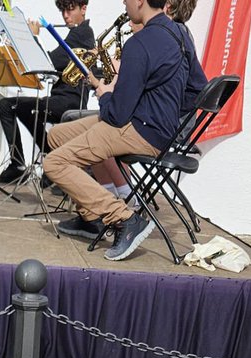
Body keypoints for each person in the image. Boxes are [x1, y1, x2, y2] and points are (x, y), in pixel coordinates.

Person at [43, 0, 187, 261]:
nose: (123, 1)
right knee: (56, 135)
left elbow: (115, 114)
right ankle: (89, 219)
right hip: (148, 124)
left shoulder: (139, 44)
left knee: (53, 164)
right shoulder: (179, 33)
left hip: (140, 129)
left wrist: (104, 92)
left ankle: (124, 218)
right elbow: (197, 88)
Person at [0, 0, 94, 185]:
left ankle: (27, 164)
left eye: (70, 10)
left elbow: (48, 62)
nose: (65, 15)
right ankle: (44, 158)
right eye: (63, 10)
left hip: (70, 101)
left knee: (10, 106)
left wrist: (33, 37)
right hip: (59, 98)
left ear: (84, 9)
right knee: (12, 106)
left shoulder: (82, 34)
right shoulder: (77, 34)